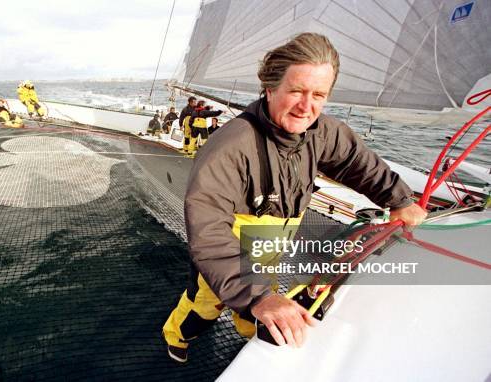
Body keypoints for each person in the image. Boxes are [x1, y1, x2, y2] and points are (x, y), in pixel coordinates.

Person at [162, 32, 427, 363]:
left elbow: (355, 162)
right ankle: (176, 336)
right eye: (297, 91)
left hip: (272, 240)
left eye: (318, 94)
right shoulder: (230, 147)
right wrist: (256, 296)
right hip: (228, 244)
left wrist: (398, 199)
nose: (307, 106)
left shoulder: (323, 131)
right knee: (206, 305)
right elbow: (209, 229)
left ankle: (250, 339)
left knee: (259, 302)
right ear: (270, 89)